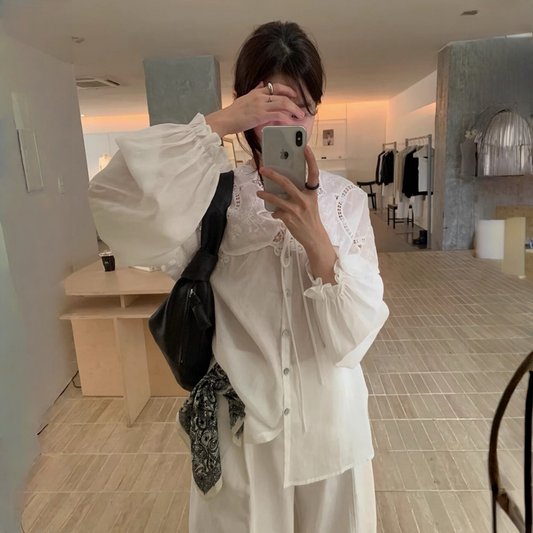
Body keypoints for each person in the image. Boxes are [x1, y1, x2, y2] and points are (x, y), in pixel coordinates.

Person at [88, 20, 389, 533]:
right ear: (247, 104)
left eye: (301, 108)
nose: (287, 120)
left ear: (316, 109)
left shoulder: (347, 202)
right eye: (272, 105)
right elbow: (112, 200)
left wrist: (316, 238)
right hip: (245, 433)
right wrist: (218, 123)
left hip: (331, 430)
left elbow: (355, 339)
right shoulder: (213, 196)